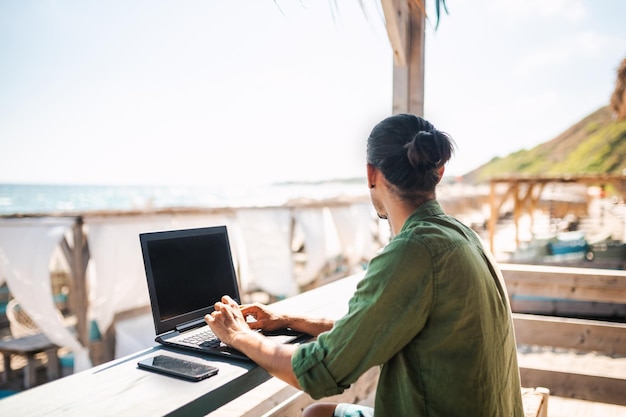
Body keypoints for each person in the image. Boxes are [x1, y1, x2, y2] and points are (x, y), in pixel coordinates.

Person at [205, 114, 524, 417]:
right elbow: (372, 329)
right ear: (438, 172)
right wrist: (289, 319)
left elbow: (319, 372)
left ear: (372, 175)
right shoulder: (460, 234)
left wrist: (237, 334)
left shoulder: (413, 251)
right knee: (318, 414)